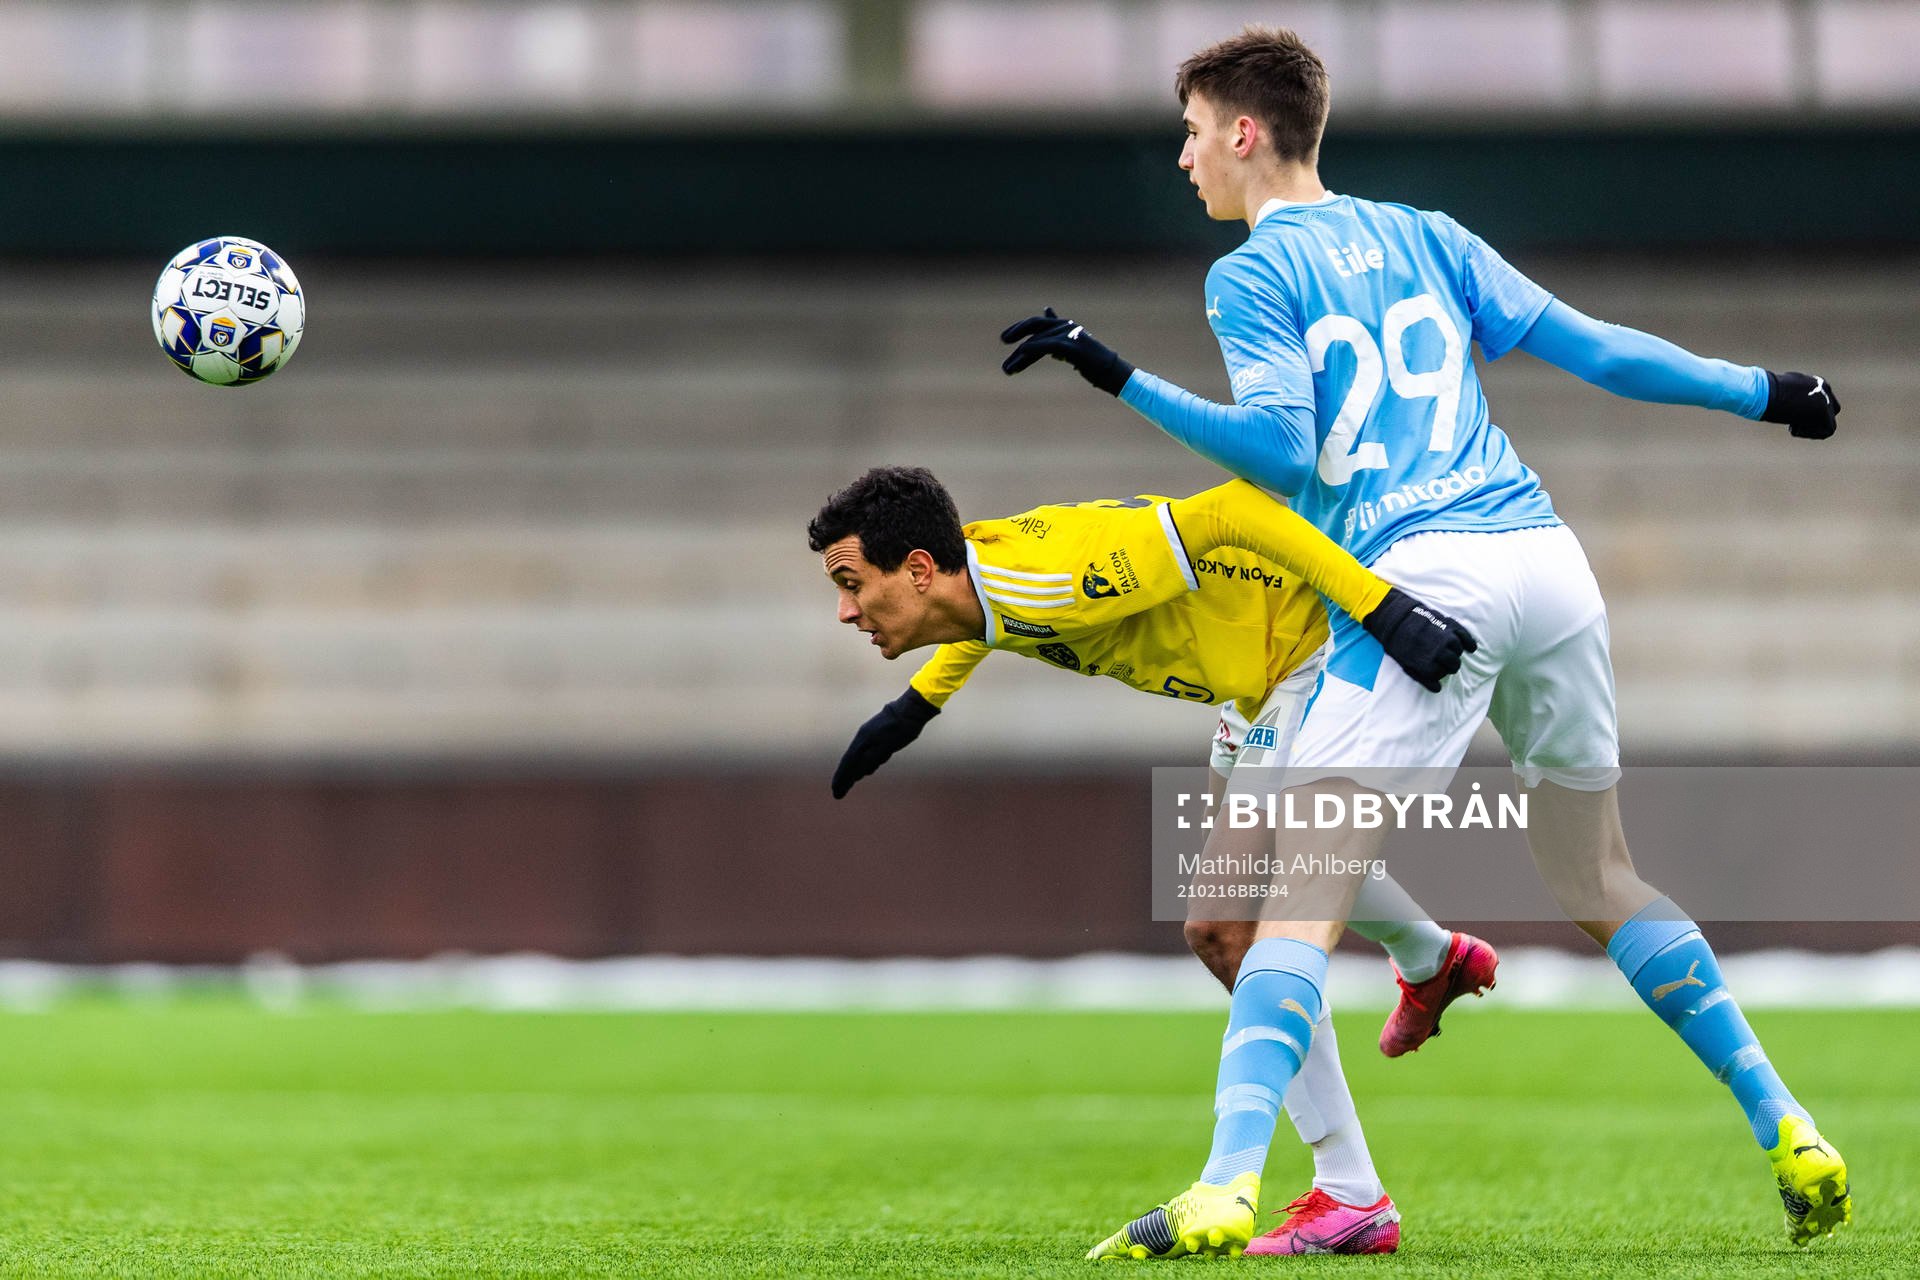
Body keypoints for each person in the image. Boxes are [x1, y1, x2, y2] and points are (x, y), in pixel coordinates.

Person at [997, 24, 1849, 1253]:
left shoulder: (1247, 275)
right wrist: (1763, 389)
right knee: (1600, 877)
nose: (1185, 160)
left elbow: (1285, 452)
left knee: (1282, 901)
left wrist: (1114, 374)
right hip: (1548, 562)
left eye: (1191, 134)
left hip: (1420, 588)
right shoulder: (1426, 233)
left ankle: (1232, 1183)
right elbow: (1597, 348)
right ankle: (1789, 1117)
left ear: (1244, 133)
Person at [810, 465, 1497, 1257]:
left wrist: (1384, 610)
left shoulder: (1050, 575)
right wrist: (914, 708)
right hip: (1254, 684)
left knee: (1222, 926)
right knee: (1258, 893)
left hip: (1310, 657)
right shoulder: (983, 574)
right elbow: (989, 619)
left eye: (850, 581)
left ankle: (1330, 1190)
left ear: (920, 569)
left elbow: (1234, 509)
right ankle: (1426, 958)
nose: (844, 609)